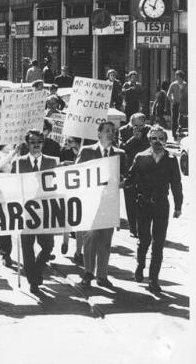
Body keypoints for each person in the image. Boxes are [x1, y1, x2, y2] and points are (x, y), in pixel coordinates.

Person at [125, 126, 182, 293]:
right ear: (149, 140)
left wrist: (178, 205)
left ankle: (153, 279)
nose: (157, 142)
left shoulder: (171, 160)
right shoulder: (141, 157)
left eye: (161, 138)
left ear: (165, 140)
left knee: (158, 243)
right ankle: (140, 264)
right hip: (143, 204)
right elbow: (130, 179)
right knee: (144, 240)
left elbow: (176, 184)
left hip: (161, 205)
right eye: (153, 139)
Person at [76, 122, 126, 288]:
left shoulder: (120, 154)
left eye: (113, 131)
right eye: (107, 131)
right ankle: (88, 272)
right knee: (89, 236)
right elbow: (76, 174)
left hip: (109, 203)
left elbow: (125, 177)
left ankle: (102, 275)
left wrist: (121, 182)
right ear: (98, 134)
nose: (111, 134)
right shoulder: (87, 151)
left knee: (105, 240)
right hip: (90, 202)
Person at [12, 129, 57, 295]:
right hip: (25, 212)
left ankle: (37, 268)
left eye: (39, 141)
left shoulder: (52, 162)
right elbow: (12, 186)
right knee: (27, 248)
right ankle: (33, 281)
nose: (36, 144)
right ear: (27, 144)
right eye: (32, 142)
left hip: (46, 212)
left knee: (48, 246)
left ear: (43, 143)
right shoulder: (18, 163)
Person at [166, 70, 188, 140]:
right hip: (176, 104)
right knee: (174, 119)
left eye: (177, 76)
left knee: (182, 118)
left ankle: (181, 133)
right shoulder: (173, 84)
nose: (176, 77)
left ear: (181, 77)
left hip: (183, 104)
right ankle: (174, 134)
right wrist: (172, 100)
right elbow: (168, 94)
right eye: (176, 76)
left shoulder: (185, 84)